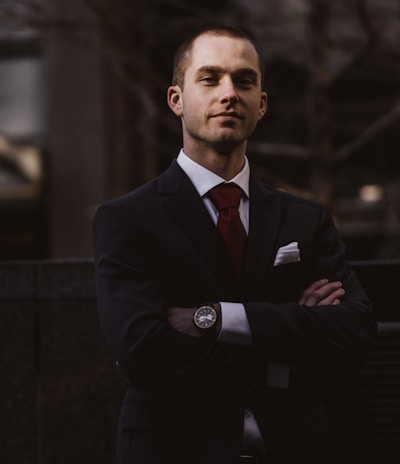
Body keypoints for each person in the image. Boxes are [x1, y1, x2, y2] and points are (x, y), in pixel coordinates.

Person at [93, 26, 377, 464]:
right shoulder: (128, 219)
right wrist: (286, 352)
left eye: (244, 81)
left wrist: (214, 319)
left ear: (261, 105)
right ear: (176, 100)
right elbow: (142, 354)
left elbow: (355, 330)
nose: (229, 93)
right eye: (210, 79)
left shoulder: (306, 219)